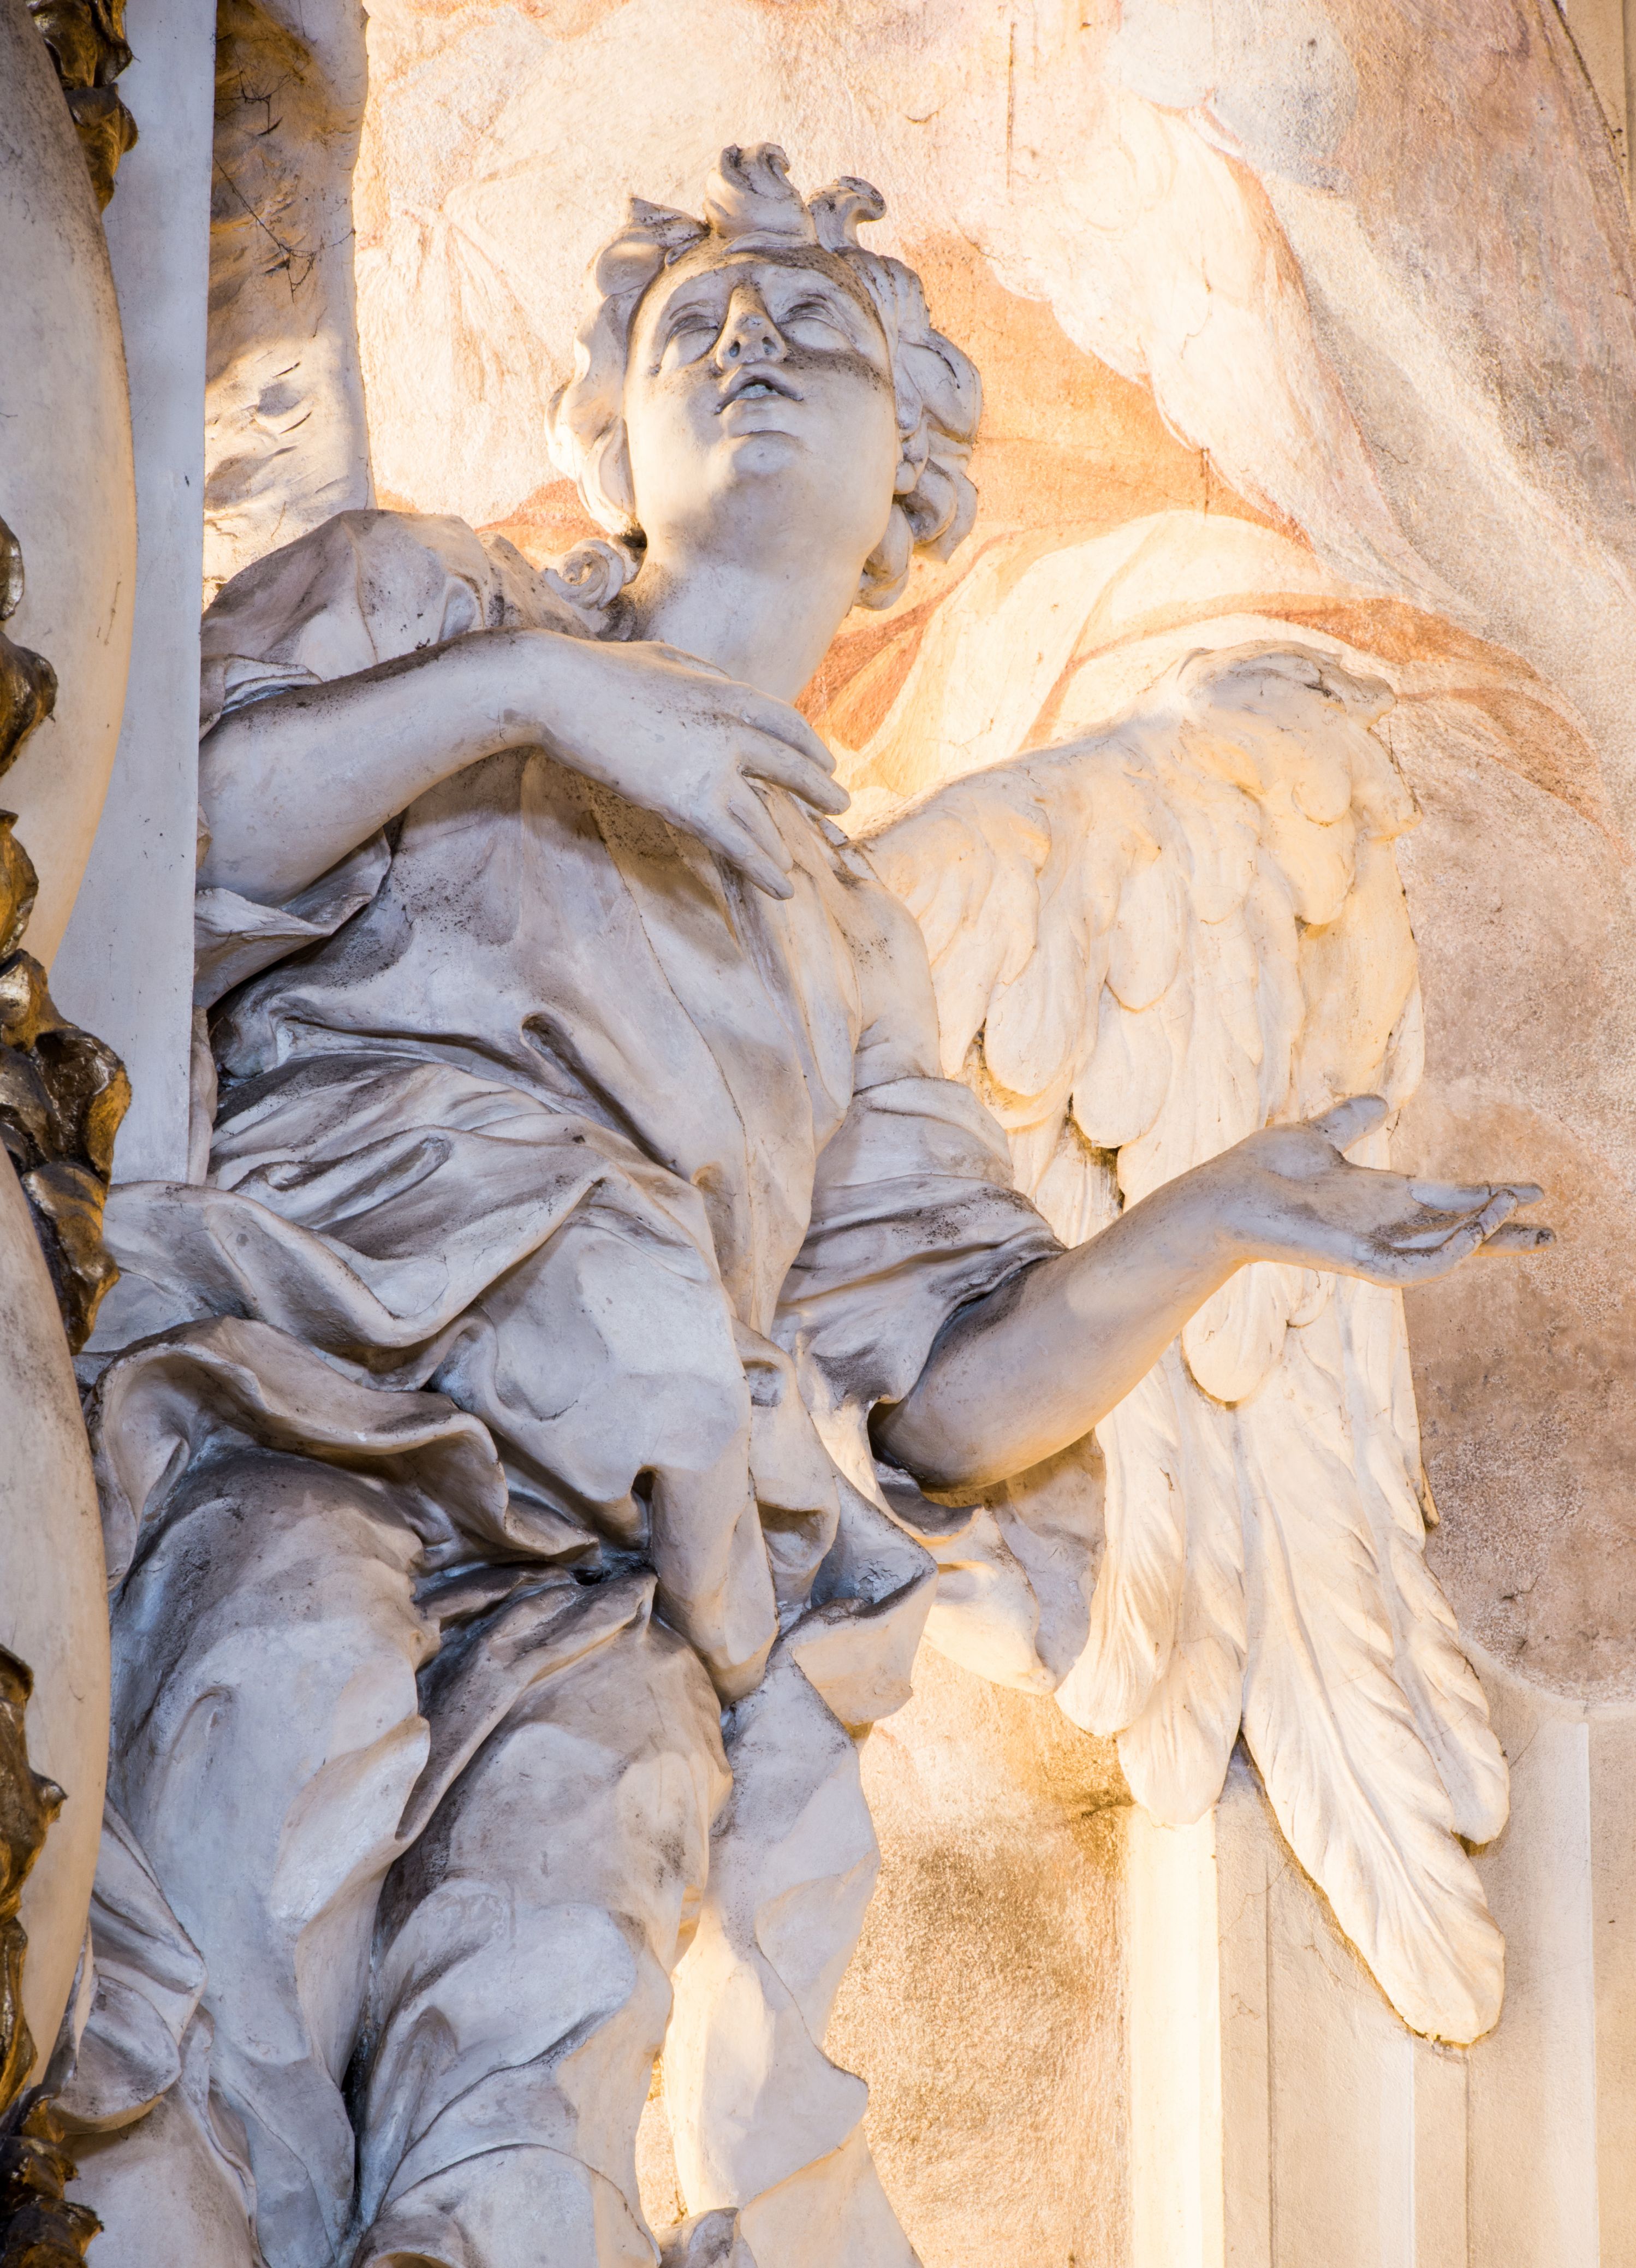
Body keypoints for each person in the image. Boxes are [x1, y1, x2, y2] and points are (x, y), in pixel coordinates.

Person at [72, 146, 1546, 2268]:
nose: (752, 336)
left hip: (614, 1571)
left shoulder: (850, 951)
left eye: (821, 330)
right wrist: (536, 697)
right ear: (612, 443)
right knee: (246, 1870)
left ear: (911, 496)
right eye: (696, 323)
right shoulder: (423, 603)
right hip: (300, 1409)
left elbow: (936, 1408)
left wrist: (1209, 1220)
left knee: (541, 2058)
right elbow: (150, 848)